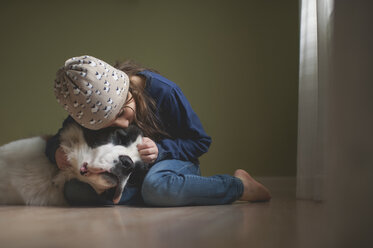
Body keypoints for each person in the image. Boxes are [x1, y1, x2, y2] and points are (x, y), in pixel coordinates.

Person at [46, 55, 271, 206]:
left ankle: (238, 186)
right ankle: (154, 195)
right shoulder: (88, 106)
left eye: (122, 114)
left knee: (155, 187)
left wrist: (160, 150)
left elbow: (200, 141)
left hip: (172, 162)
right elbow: (59, 137)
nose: (123, 125)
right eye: (109, 125)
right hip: (132, 174)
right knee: (74, 191)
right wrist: (56, 150)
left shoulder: (165, 92)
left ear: (125, 93)